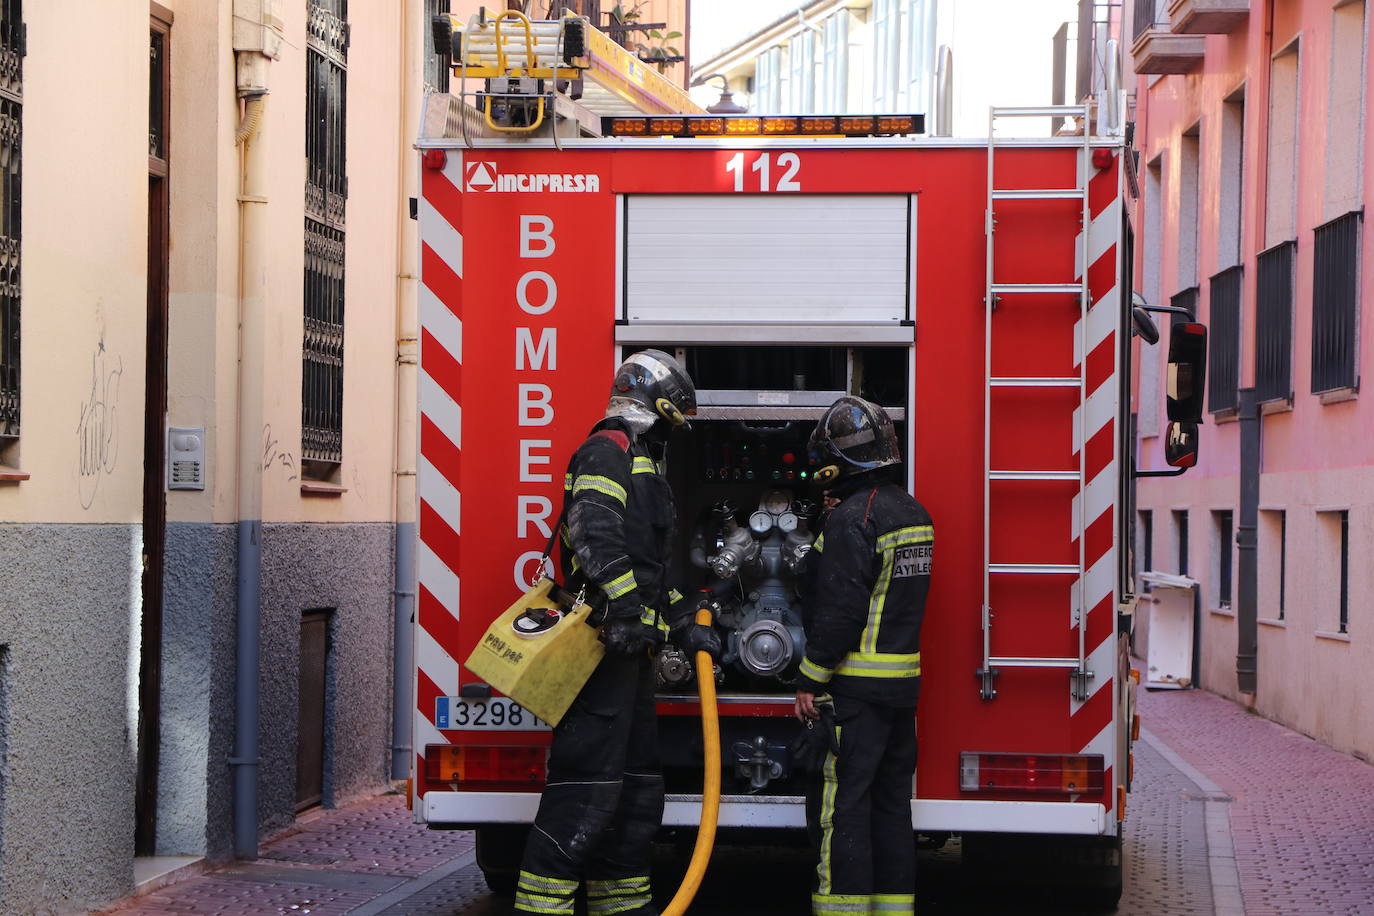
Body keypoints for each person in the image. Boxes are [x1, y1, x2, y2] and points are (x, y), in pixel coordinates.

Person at [515, 348, 721, 916]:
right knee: (584, 795)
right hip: (602, 654)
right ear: (656, 401)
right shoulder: (608, 450)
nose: (680, 422)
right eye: (678, 408)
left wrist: (685, 624)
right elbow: (594, 534)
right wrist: (626, 612)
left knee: (633, 799)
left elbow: (650, 573)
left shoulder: (641, 460)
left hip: (630, 661)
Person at [794, 395, 934, 916]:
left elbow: (840, 611)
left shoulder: (855, 518)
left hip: (854, 693)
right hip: (900, 693)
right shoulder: (911, 510)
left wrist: (809, 679)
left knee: (843, 811)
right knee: (891, 808)